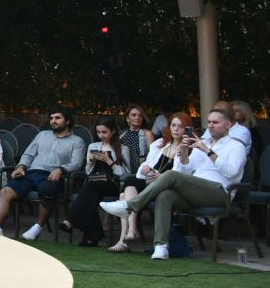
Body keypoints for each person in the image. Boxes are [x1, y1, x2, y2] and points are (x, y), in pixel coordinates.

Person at [101, 108, 247, 260]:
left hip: (220, 192)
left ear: (228, 124)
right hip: (196, 191)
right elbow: (186, 169)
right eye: (209, 122)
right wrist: (184, 153)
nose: (210, 125)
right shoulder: (203, 143)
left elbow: (232, 171)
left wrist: (207, 151)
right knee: (165, 196)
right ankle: (161, 247)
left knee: (170, 175)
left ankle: (129, 206)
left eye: (215, 122)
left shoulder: (236, 146)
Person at [0, 107, 86, 239]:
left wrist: (61, 169)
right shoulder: (42, 135)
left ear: (67, 121)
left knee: (48, 189)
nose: (53, 121)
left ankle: (37, 227)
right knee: (6, 191)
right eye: (51, 118)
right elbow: (28, 154)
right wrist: (21, 166)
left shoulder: (77, 141)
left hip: (53, 175)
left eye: (57, 118)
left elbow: (77, 163)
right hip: (31, 173)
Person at [107, 113, 184, 252]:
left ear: (187, 129)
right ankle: (130, 231)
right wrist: (146, 169)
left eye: (181, 126)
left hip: (166, 187)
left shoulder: (188, 149)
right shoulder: (159, 144)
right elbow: (145, 166)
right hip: (149, 182)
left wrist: (161, 176)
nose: (176, 129)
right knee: (128, 187)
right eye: (173, 125)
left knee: (124, 196)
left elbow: (183, 174)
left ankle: (124, 239)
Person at [60, 118, 127, 246]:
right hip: (95, 181)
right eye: (98, 132)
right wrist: (90, 161)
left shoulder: (122, 148)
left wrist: (109, 161)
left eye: (105, 132)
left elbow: (125, 174)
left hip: (114, 184)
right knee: (90, 196)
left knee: (88, 188)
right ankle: (92, 236)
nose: (101, 135)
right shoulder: (93, 146)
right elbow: (88, 172)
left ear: (113, 131)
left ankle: (71, 220)